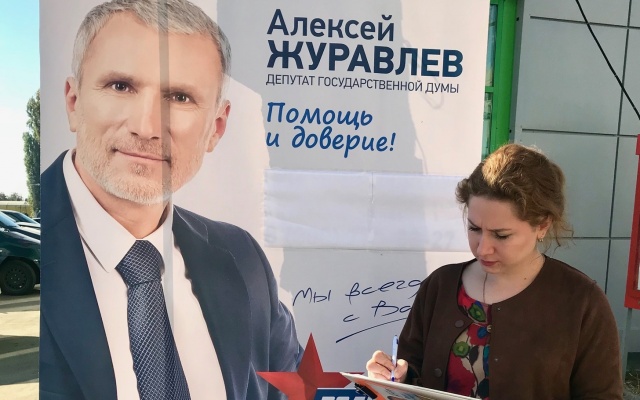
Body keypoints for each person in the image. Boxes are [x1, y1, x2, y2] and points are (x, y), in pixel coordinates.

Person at [39, 1, 302, 399]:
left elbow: (293, 389)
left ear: (216, 127)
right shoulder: (28, 253)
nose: (147, 127)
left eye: (179, 97)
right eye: (121, 86)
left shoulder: (243, 257)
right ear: (73, 102)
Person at [365, 143, 623, 399]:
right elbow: (411, 371)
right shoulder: (441, 285)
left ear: (543, 225)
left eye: (501, 235)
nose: (483, 248)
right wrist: (393, 378)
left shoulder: (581, 301)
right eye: (474, 229)